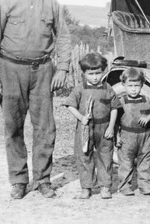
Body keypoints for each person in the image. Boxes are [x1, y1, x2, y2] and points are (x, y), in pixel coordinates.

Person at [0, 0, 71, 199]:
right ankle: (19, 180)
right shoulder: (6, 1)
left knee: (45, 127)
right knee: (13, 126)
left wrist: (63, 68)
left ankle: (43, 180)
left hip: (43, 70)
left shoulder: (51, 2)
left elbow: (63, 37)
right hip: (10, 69)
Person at [63, 52, 119, 200]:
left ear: (103, 71)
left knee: (105, 157)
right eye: (91, 74)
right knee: (84, 157)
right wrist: (81, 117)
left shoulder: (107, 88)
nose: (95, 77)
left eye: (98, 73)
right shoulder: (79, 88)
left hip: (104, 128)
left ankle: (105, 187)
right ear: (84, 73)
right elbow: (69, 105)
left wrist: (111, 127)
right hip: (85, 129)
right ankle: (86, 187)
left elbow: (114, 107)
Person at [116, 68, 150, 196]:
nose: (133, 89)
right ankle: (124, 186)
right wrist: (116, 136)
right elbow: (115, 121)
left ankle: (145, 186)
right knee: (126, 162)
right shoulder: (121, 102)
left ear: (142, 85)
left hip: (145, 136)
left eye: (137, 85)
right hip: (127, 136)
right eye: (130, 86)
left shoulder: (148, 100)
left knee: (146, 162)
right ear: (123, 85)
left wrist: (149, 117)